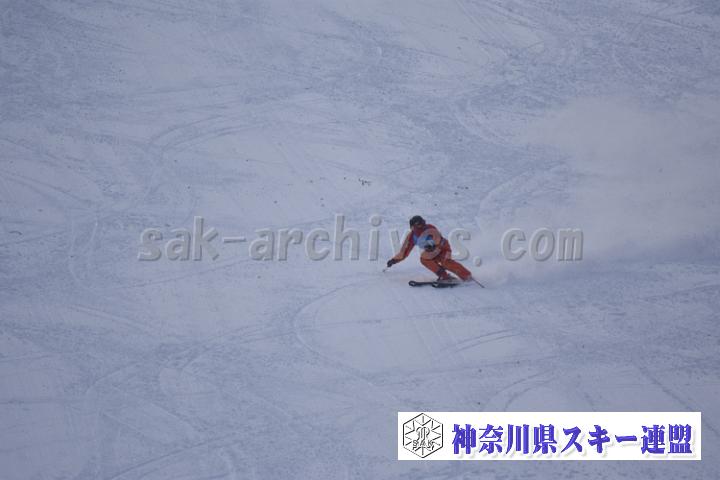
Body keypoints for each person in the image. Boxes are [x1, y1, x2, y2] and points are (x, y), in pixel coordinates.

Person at [386, 215, 473, 282]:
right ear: (412, 227)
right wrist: (394, 260)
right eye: (418, 225)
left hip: (443, 248)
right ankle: (444, 276)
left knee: (446, 262)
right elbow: (404, 252)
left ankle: (466, 276)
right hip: (431, 252)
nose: (421, 227)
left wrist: (433, 245)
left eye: (422, 224)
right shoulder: (412, 237)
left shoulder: (430, 228)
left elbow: (437, 238)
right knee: (424, 259)